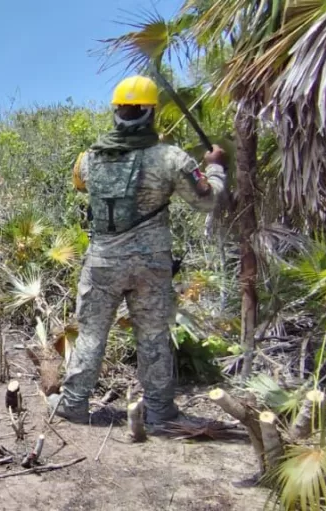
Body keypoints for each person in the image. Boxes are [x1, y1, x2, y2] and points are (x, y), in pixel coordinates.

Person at [59, 75, 226, 425]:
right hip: (151, 264)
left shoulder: (88, 158)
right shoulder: (171, 157)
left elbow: (78, 184)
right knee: (152, 336)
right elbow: (207, 201)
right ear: (151, 113)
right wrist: (215, 167)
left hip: (103, 262)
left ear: (116, 112)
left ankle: (74, 404)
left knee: (91, 334)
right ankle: (161, 410)